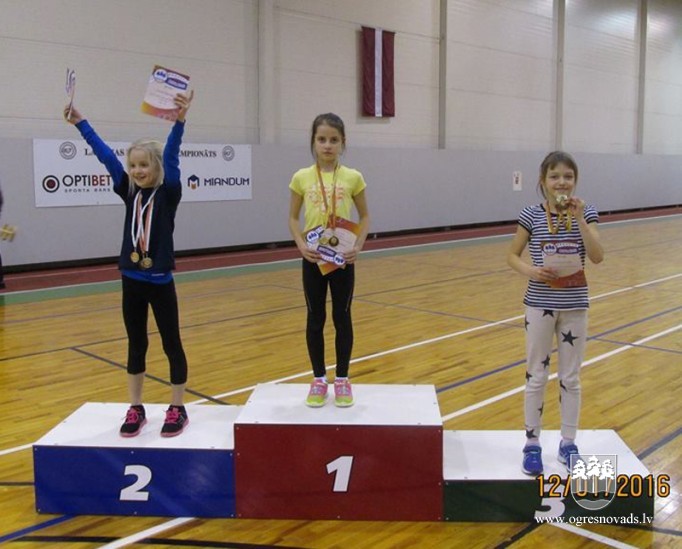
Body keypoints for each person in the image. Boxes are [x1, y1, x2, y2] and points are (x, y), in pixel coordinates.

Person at [64, 91, 194, 437]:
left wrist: (180, 121)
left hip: (161, 281)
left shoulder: (168, 194)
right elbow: (106, 157)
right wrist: (81, 123)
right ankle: (136, 407)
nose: (137, 171)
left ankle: (177, 407)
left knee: (171, 344)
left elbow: (172, 153)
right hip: (132, 280)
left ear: (157, 167)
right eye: (133, 165)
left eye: (144, 165)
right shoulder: (128, 191)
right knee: (136, 345)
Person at [507, 151, 604, 475]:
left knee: (571, 377)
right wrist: (531, 271)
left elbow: (598, 256)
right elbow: (511, 255)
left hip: (575, 306)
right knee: (536, 375)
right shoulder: (531, 214)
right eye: (555, 176)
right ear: (543, 181)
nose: (561, 182)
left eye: (568, 176)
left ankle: (568, 443)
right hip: (539, 305)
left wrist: (580, 220)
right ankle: (532, 443)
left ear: (575, 180)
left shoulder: (587, 212)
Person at [288, 113, 370, 407]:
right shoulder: (301, 177)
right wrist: (301, 245)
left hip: (342, 260)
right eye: (321, 139)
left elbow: (365, 216)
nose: (327, 145)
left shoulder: (353, 177)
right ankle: (320, 379)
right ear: (313, 141)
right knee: (315, 318)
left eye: (334, 140)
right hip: (313, 259)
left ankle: (343, 379)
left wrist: (357, 246)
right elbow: (292, 218)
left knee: (342, 317)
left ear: (342, 143)